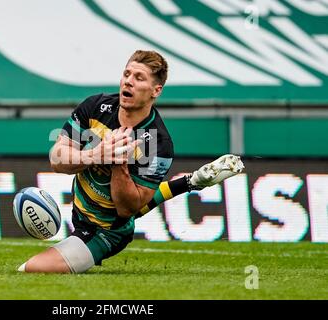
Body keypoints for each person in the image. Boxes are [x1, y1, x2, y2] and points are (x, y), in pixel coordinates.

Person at [17, 50, 244, 274]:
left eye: (139, 78)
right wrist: (95, 155)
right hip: (82, 210)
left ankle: (190, 183)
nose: (128, 81)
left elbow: (128, 209)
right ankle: (191, 182)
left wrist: (119, 163)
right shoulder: (96, 107)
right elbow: (57, 158)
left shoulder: (158, 143)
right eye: (127, 74)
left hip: (107, 232)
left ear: (156, 90)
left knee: (30, 269)